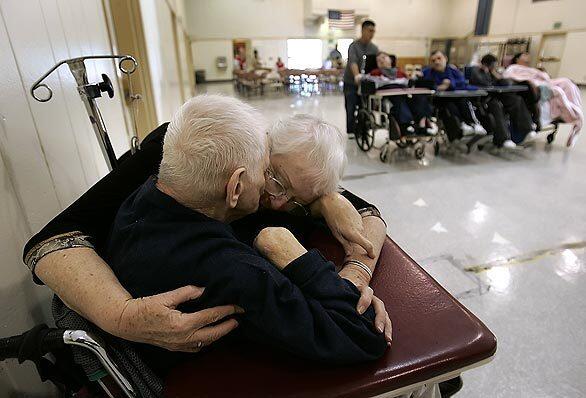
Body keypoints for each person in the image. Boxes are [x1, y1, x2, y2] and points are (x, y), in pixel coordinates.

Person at [23, 95, 392, 365]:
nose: (276, 198)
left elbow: (365, 214)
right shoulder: (228, 262)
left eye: (296, 201)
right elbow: (361, 337)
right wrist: (121, 315)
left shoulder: (155, 194)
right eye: (270, 175)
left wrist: (330, 205)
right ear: (238, 182)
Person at [504, 52, 583, 146]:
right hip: (533, 85)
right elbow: (510, 75)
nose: (528, 57)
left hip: (544, 83)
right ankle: (564, 107)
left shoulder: (531, 69)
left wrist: (542, 76)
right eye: (524, 55)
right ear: (517, 59)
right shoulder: (513, 68)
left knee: (567, 82)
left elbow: (543, 77)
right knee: (555, 90)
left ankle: (573, 111)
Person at [470, 54, 536, 147]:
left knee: (517, 100)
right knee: (496, 106)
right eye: (493, 65)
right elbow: (484, 84)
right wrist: (487, 74)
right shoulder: (476, 71)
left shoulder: (493, 72)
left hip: (496, 96)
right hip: (483, 100)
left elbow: (506, 83)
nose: (494, 67)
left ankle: (527, 128)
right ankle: (503, 139)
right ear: (486, 64)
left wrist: (496, 75)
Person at [423, 50, 486, 142]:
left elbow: (462, 82)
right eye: (433, 60)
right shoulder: (428, 72)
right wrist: (439, 87)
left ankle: (474, 124)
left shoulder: (453, 70)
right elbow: (426, 85)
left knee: (464, 102)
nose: (436, 62)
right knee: (449, 106)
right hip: (440, 102)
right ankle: (462, 125)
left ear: (446, 59)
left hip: (458, 98)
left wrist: (450, 84)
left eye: (439, 58)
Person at [370, 52, 437, 136]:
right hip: (389, 96)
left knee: (420, 98)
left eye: (383, 58)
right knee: (398, 100)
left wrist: (415, 77)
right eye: (378, 60)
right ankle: (406, 125)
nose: (381, 60)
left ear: (390, 59)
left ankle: (422, 124)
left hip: (403, 92)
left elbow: (408, 82)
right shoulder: (375, 72)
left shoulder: (400, 72)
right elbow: (368, 80)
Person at [343, 20, 378, 138]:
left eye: (374, 31)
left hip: (366, 83)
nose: (372, 33)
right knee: (351, 106)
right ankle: (351, 131)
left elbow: (375, 66)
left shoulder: (374, 48)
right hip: (351, 82)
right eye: (370, 31)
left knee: (366, 106)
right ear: (363, 30)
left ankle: (364, 128)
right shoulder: (354, 46)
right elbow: (352, 62)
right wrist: (357, 76)